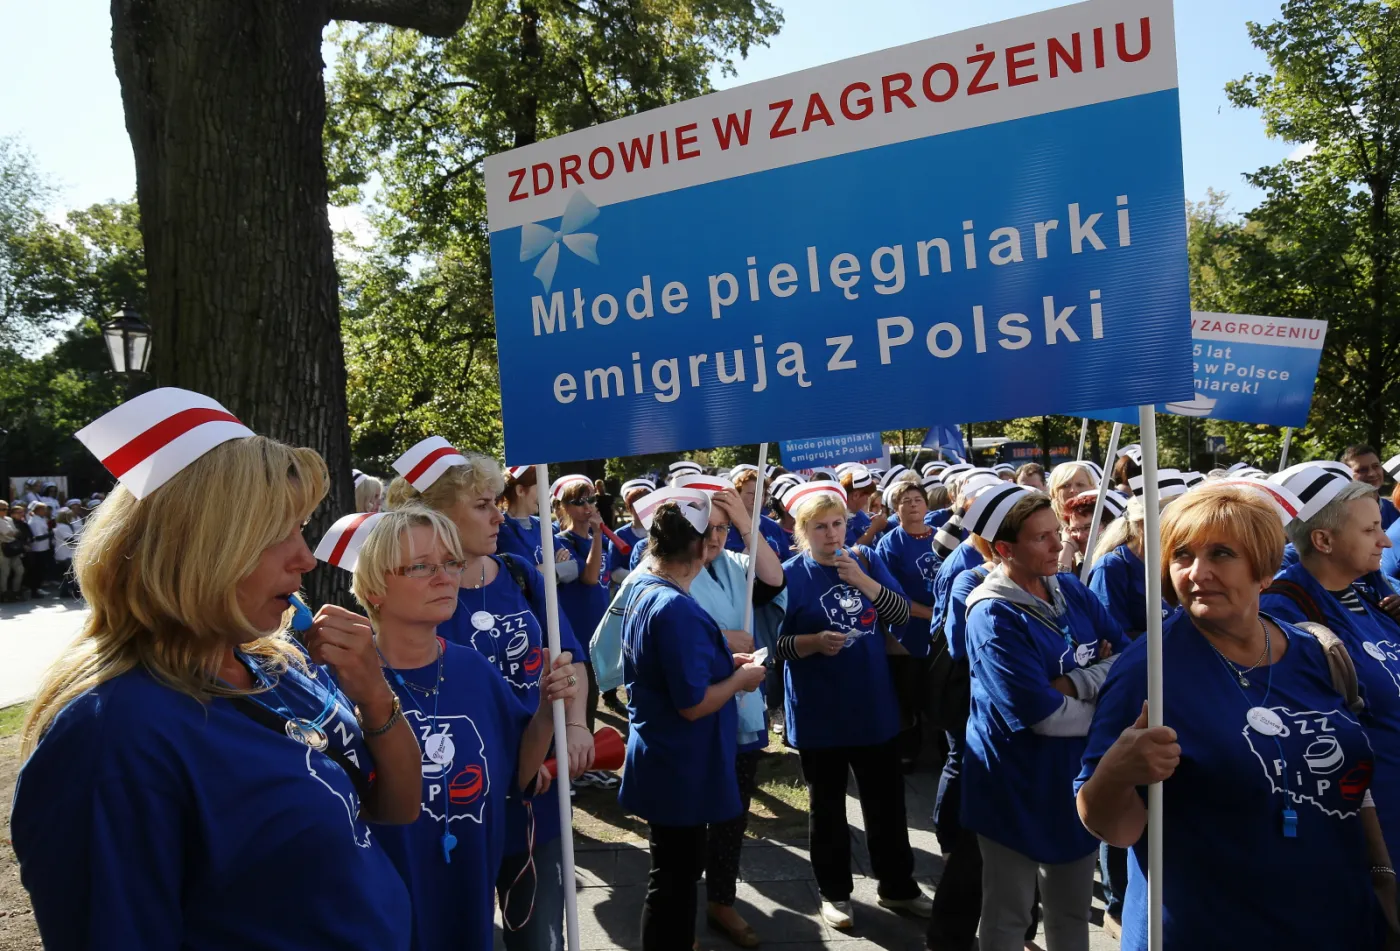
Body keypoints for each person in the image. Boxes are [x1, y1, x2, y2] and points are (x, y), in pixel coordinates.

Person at [13, 387, 422, 950]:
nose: (305, 557)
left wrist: (373, 694)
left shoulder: (275, 663)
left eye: (301, 527)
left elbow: (394, 808)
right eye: (280, 532)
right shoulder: (112, 737)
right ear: (197, 549)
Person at [1077, 483, 1387, 951]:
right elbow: (1112, 827)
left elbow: (1354, 787)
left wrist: (1383, 877)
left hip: (1338, 920)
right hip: (1211, 929)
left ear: (1264, 569)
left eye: (1222, 553)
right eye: (1181, 554)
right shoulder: (1149, 670)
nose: (1199, 572)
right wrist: (1116, 774)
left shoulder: (1315, 650)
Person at [329, 505, 579, 951]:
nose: (444, 577)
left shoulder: (474, 669)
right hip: (383, 909)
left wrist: (545, 710)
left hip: (468, 895)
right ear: (374, 587)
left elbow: (515, 778)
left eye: (450, 563)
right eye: (422, 566)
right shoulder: (341, 682)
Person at [385, 440, 597, 940]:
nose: (498, 515)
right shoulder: (413, 596)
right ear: (435, 514)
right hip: (454, 802)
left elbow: (568, 658)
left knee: (539, 932)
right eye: (482, 505)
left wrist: (573, 724)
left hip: (537, 798)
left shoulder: (521, 575)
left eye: (497, 501)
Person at [962, 490, 1127, 951]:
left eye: (1057, 533)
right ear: (1003, 549)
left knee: (1072, 910)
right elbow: (1041, 717)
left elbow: (1127, 659)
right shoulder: (992, 614)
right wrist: (1100, 694)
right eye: (1042, 538)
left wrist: (1072, 682)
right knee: (1008, 916)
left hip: (1074, 776)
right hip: (1013, 782)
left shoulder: (1070, 587)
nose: (1059, 546)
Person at [618, 486, 768, 951]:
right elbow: (693, 702)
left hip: (664, 755)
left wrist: (726, 662)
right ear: (701, 546)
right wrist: (739, 683)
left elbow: (676, 668)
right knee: (676, 878)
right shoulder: (675, 606)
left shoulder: (646, 586)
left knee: (674, 873)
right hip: (680, 762)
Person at [776, 481, 931, 930]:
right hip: (819, 710)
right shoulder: (788, 575)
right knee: (826, 807)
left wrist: (862, 580)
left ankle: (898, 887)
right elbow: (771, 646)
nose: (831, 534)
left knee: (886, 803)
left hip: (871, 704)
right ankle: (835, 893)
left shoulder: (866, 558)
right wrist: (811, 642)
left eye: (838, 523)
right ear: (803, 531)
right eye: (820, 527)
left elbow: (902, 615)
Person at [1261, 467, 1400, 866]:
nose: (1386, 540)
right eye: (1370, 529)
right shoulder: (1286, 613)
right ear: (1323, 540)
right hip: (1368, 833)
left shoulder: (1370, 598)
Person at [551, 473, 613, 736]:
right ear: (564, 508)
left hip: (598, 633)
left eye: (590, 500)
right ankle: (576, 770)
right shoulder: (562, 542)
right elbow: (589, 578)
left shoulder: (602, 542)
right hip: (576, 637)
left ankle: (585, 767)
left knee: (592, 700)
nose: (588, 507)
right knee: (578, 707)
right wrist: (597, 536)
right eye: (578, 502)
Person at [1345, 444, 1398, 529]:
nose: (1371, 474)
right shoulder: (1340, 516)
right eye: (1362, 469)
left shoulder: (1396, 509)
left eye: (1376, 466)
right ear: (1347, 475)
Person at [24, 501, 52, 598]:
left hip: (44, 547)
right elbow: (38, 537)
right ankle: (35, 589)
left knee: (42, 568)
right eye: (43, 509)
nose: (45, 511)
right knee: (37, 570)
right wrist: (51, 534)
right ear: (37, 510)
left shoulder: (41, 519)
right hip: (38, 549)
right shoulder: (34, 521)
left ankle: (38, 587)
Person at [0, 502, 25, 602]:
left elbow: (15, 533)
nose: (5, 511)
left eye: (6, 509)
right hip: (2, 548)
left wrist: (11, 534)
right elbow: (9, 533)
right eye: (2, 509)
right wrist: (11, 534)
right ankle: (4, 593)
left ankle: (16, 591)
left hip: (13, 547)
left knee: (20, 570)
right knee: (5, 572)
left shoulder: (9, 519)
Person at [51, 508, 78, 600]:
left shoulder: (60, 526)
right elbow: (69, 540)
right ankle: (71, 592)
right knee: (72, 574)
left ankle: (66, 592)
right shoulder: (63, 527)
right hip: (66, 554)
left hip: (63, 553)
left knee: (68, 575)